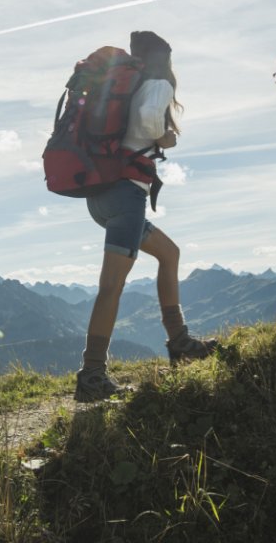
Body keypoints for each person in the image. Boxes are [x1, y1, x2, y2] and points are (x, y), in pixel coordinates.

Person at [75, 31, 217, 402]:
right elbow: (148, 120)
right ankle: (92, 374)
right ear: (165, 59)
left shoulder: (125, 82)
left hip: (102, 195)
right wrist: (165, 137)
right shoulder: (157, 83)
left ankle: (179, 341)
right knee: (112, 287)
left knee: (169, 254)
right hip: (126, 195)